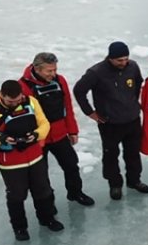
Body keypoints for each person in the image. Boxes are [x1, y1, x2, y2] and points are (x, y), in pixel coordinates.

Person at [0, 79, 63, 241]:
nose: (15, 103)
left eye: (18, 100)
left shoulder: (31, 101)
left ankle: (47, 218)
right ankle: (20, 228)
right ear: (2, 95)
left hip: (35, 157)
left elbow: (44, 124)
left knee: (43, 190)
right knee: (16, 196)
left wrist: (36, 135)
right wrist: (1, 139)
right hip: (10, 163)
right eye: (11, 101)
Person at [73, 41, 148, 200]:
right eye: (119, 60)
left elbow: (138, 84)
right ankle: (115, 184)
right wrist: (90, 113)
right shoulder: (96, 72)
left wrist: (132, 104)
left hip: (132, 120)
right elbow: (79, 91)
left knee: (133, 153)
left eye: (125, 59)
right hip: (109, 123)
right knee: (111, 155)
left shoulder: (133, 66)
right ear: (110, 58)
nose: (123, 63)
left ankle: (134, 180)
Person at [19, 52, 95, 206]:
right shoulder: (23, 87)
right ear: (37, 69)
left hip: (59, 134)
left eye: (55, 70)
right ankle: (48, 205)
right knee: (40, 175)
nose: (53, 74)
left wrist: (72, 131)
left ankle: (75, 193)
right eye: (49, 71)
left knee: (71, 164)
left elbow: (67, 106)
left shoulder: (60, 81)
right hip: (39, 139)